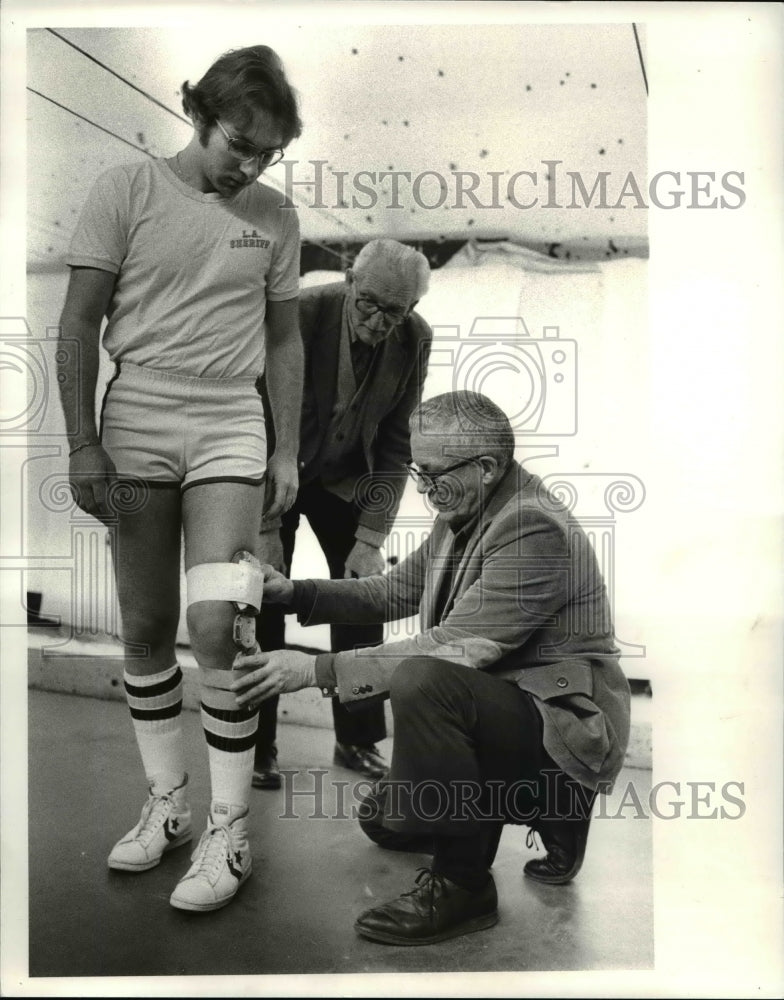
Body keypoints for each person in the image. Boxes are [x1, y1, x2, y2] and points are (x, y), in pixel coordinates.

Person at [232, 390, 631, 945]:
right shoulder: (467, 505)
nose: (423, 488)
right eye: (417, 469)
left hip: (558, 723)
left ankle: (465, 884)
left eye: (433, 473)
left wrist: (314, 670)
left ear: (487, 467)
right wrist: (293, 593)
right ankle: (548, 809)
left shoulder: (533, 527)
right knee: (387, 817)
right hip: (508, 704)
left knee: (427, 677)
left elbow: (456, 645)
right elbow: (394, 590)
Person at [56, 45, 304, 913]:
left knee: (216, 626)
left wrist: (286, 450)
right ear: (200, 114)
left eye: (270, 152)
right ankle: (168, 805)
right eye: (241, 143)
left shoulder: (275, 216)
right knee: (147, 626)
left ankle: (228, 829)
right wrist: (82, 443)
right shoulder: (125, 191)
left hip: (232, 420)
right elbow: (79, 319)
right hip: (138, 417)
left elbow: (283, 339)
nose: (252, 165)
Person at [252, 239, 432, 789]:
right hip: (276, 468)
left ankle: (355, 741)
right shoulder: (300, 311)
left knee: (361, 597)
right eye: (370, 303)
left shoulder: (416, 337)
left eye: (395, 311)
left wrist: (371, 536)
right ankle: (257, 747)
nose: (380, 321)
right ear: (350, 280)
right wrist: (262, 525)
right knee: (261, 595)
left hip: (346, 478)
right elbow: (253, 414)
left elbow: (399, 438)